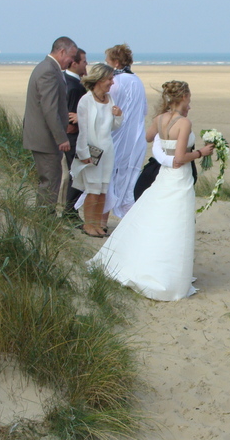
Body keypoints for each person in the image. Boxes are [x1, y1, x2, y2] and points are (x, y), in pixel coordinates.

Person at [88, 81, 213, 301]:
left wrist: (162, 143)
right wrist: (201, 152)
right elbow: (180, 158)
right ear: (182, 98)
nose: (190, 103)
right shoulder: (184, 123)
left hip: (164, 176)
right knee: (176, 222)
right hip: (178, 178)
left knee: (159, 218)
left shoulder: (159, 119)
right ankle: (169, 274)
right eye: (189, 99)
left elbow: (148, 137)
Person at [23, 36, 77, 210]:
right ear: (62, 52)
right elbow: (50, 109)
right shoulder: (48, 71)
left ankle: (47, 219)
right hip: (45, 140)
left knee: (52, 180)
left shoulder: (49, 69)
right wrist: (61, 138)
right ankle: (46, 222)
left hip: (45, 139)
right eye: (71, 57)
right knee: (50, 182)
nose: (71, 62)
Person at [69, 63, 123, 237]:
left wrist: (118, 115)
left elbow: (114, 126)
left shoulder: (110, 99)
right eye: (109, 79)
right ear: (99, 79)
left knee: (102, 190)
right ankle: (89, 225)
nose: (112, 82)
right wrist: (83, 153)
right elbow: (83, 129)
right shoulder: (86, 100)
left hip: (107, 150)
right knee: (92, 189)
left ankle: (98, 224)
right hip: (92, 150)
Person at [102, 44, 149, 223]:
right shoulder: (137, 80)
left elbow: (107, 107)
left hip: (117, 136)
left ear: (115, 62)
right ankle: (127, 221)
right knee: (129, 180)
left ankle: (102, 222)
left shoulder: (115, 82)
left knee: (109, 178)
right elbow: (144, 110)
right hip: (136, 138)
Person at [63, 48, 87, 221]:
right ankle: (70, 211)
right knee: (77, 175)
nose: (86, 64)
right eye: (84, 61)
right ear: (74, 63)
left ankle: (70, 210)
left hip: (69, 137)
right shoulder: (74, 87)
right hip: (73, 137)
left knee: (74, 174)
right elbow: (71, 121)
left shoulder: (63, 80)